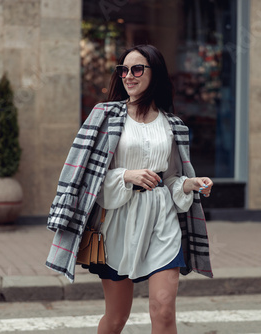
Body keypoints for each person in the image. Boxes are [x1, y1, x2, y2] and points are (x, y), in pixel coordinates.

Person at [45, 44, 213, 334]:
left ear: (154, 73)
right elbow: (88, 179)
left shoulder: (173, 125)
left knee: (163, 311)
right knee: (116, 318)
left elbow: (172, 178)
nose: (128, 76)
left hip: (162, 222)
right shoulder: (105, 115)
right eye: (123, 69)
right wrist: (126, 176)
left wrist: (190, 184)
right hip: (117, 223)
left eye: (137, 69)